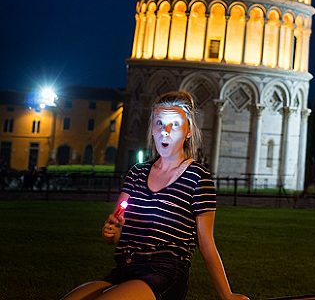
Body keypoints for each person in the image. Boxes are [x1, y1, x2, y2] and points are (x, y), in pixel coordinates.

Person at [60, 90, 250, 300]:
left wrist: (227, 295)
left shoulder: (197, 177)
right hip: (125, 270)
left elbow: (206, 243)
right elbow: (115, 230)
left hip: (164, 274)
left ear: (188, 131)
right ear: (151, 128)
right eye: (159, 123)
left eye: (175, 124)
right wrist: (110, 231)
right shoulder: (136, 173)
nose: (165, 131)